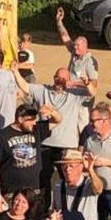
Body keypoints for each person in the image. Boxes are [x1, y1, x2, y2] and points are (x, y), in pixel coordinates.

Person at [12, 61, 93, 201]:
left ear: (68, 80)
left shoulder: (75, 94)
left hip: (67, 145)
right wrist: (15, 72)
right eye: (57, 77)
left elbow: (92, 92)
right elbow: (25, 87)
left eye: (62, 79)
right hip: (45, 143)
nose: (58, 81)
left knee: (69, 178)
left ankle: (70, 205)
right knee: (43, 179)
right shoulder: (43, 90)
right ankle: (44, 208)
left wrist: (87, 83)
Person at [0, 104, 61, 210]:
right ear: (20, 119)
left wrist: (52, 112)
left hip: (35, 192)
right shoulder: (1, 137)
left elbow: (58, 120)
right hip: (12, 193)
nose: (34, 122)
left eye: (35, 119)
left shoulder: (36, 130)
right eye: (30, 120)